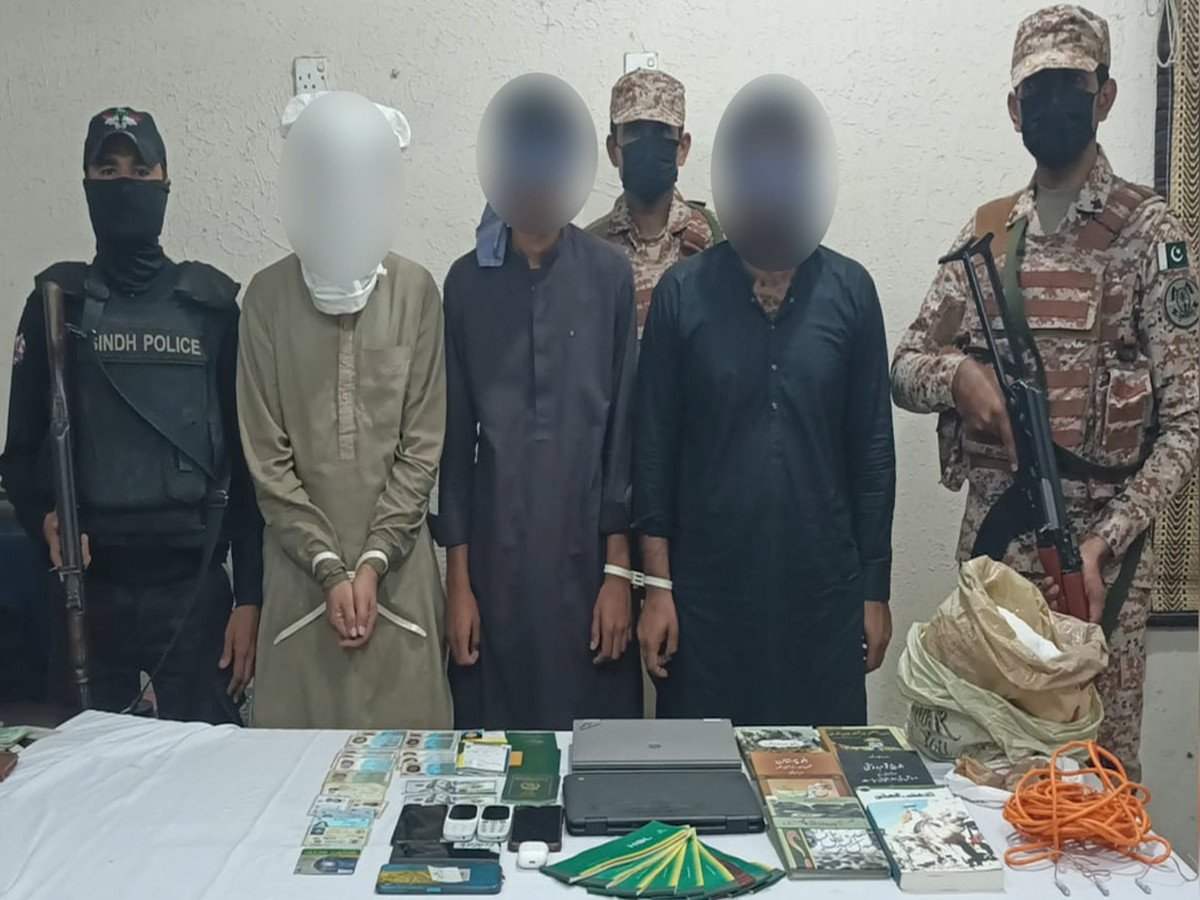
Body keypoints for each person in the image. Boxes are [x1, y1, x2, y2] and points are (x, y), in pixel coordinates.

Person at [891, 5, 1199, 779]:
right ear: (1013, 107)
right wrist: (958, 377)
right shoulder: (989, 233)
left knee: (1092, 784)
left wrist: (1105, 542)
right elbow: (904, 366)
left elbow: (1186, 424)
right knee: (983, 776)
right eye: (1038, 90)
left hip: (1095, 580)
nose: (1054, 104)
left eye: (1072, 86)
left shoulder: (1149, 235)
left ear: (1105, 96)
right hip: (996, 571)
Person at [634, 77, 896, 726]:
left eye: (787, 162)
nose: (771, 177)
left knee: (824, 777)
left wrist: (875, 590)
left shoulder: (851, 293)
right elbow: (654, 453)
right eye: (757, 161)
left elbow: (872, 452)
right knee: (706, 779)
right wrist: (657, 589)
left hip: (824, 602)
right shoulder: (682, 294)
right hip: (706, 604)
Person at [0, 107, 263, 723]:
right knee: (91, 771)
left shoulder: (211, 308)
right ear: (86, 184)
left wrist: (251, 598)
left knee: (208, 766)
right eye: (108, 170)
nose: (125, 184)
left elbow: (247, 467)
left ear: (165, 184)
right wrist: (45, 521)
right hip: (88, 595)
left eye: (141, 171)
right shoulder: (54, 306)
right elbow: (19, 455)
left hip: (194, 592)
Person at [237, 91, 452, 729]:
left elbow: (423, 445)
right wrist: (329, 568)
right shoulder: (266, 299)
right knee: (293, 775)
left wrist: (375, 560)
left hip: (399, 583)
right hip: (300, 584)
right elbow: (266, 460)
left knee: (412, 772)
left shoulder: (416, 293)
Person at [436, 75, 642, 729]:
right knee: (494, 756)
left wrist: (619, 576)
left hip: (588, 570)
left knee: (593, 754)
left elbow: (623, 441)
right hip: (494, 571)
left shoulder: (608, 276)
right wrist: (457, 586)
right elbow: (454, 450)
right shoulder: (465, 284)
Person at [587, 68, 722, 334]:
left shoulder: (716, 241)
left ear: (682, 148)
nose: (648, 145)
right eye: (635, 132)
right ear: (613, 149)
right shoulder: (589, 252)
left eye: (662, 132)